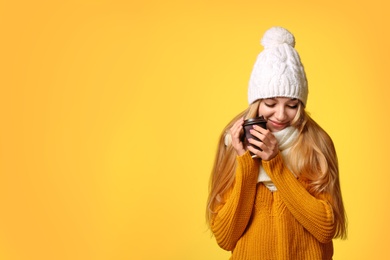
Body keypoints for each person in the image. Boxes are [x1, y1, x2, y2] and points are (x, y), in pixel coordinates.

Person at [206, 26, 347, 259]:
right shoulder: (234, 142)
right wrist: (247, 164)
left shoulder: (317, 144)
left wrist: (275, 164)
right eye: (271, 104)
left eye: (291, 105)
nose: (281, 115)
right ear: (257, 103)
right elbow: (225, 237)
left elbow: (325, 229)